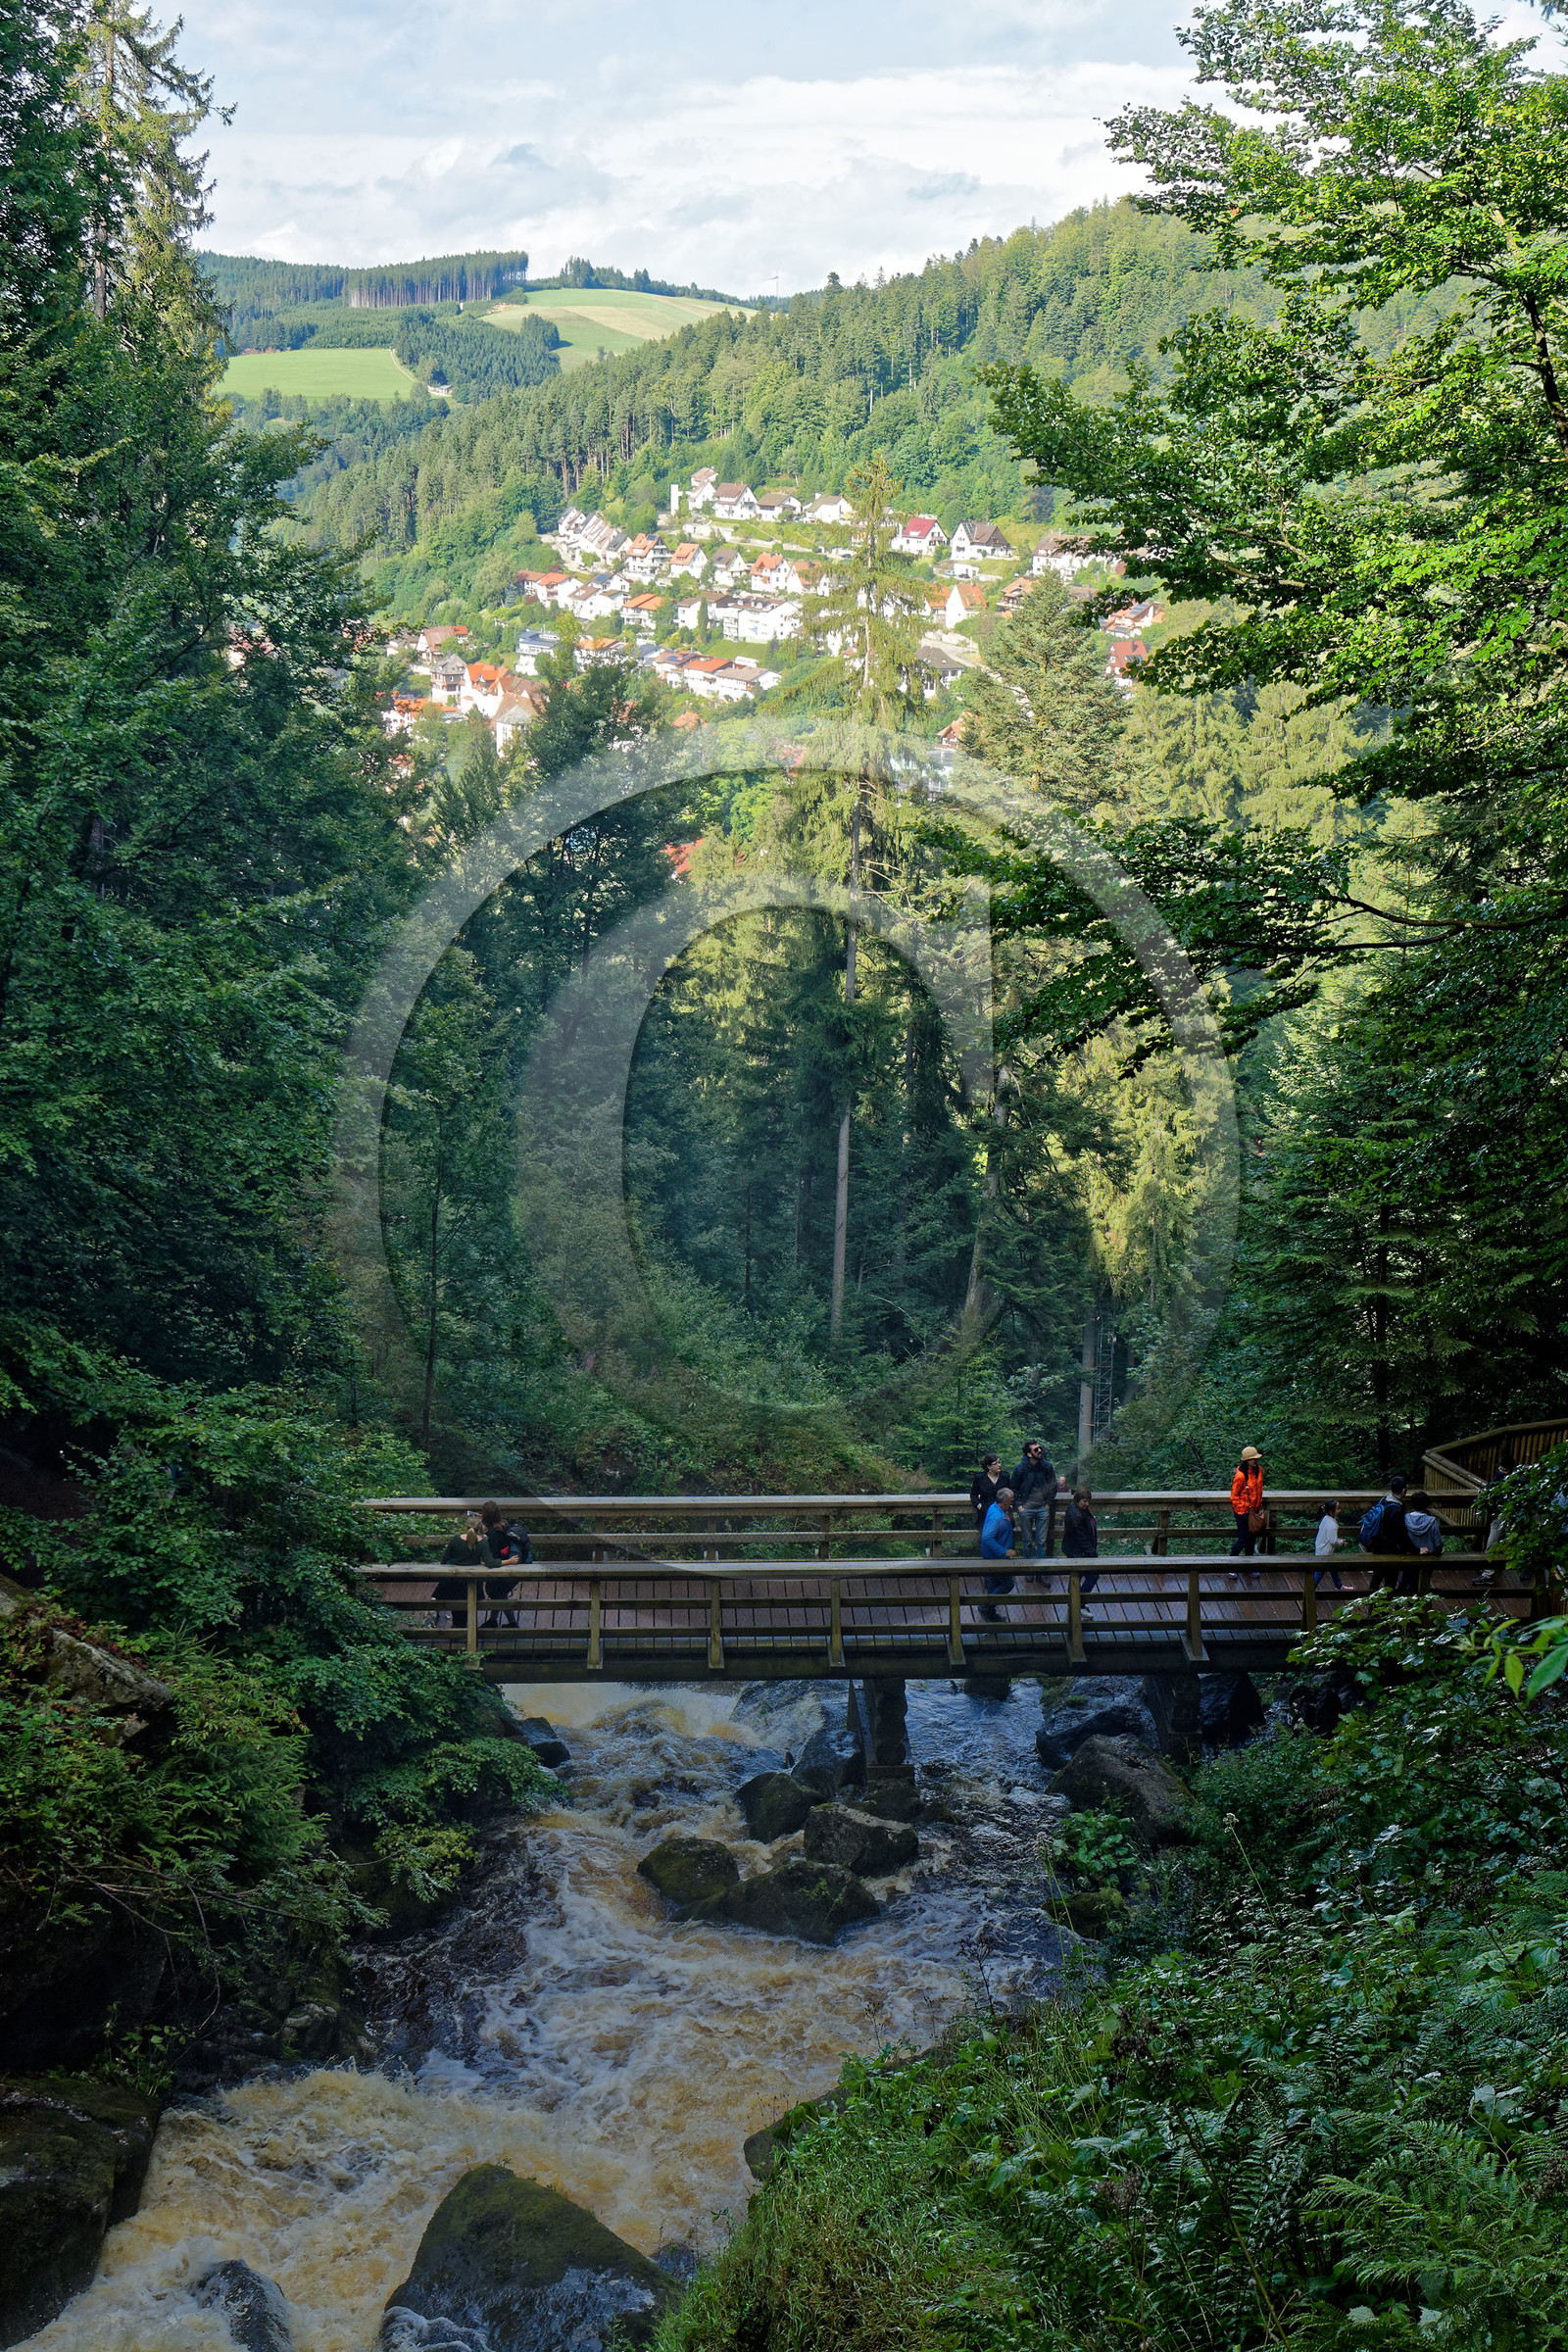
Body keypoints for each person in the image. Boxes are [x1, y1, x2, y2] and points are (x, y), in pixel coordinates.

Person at [1009, 1440, 1063, 1579]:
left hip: (1042, 1508)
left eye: (1039, 1448)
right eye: (1036, 1449)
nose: (1039, 1451)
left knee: (1042, 1542)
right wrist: (1020, 1505)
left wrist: (1048, 1503)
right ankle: (1029, 1571)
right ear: (1029, 1454)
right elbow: (1013, 1487)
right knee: (1027, 1541)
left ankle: (1040, 1572)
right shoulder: (1020, 1468)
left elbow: (1053, 1485)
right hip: (1026, 1509)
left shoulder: (1046, 1466)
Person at [1360, 1475, 1416, 1592]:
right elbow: (1401, 1535)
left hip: (1378, 1545)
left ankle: (1371, 1601)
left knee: (1377, 1576)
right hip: (1391, 1550)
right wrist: (1415, 1550)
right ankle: (1385, 1603)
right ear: (1404, 1491)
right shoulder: (1396, 1509)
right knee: (1390, 1581)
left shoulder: (1384, 1500)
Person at [434, 1513, 484, 1629]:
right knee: (468, 1607)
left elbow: (444, 1559)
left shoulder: (456, 1539)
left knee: (456, 1606)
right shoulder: (482, 1542)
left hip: (455, 1581)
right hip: (474, 1582)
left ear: (466, 1526)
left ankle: (456, 1628)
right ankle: (469, 1631)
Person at [978, 1486, 1017, 1622]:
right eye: (1011, 1501)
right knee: (1007, 1584)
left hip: (992, 1556)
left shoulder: (994, 1507)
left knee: (994, 1585)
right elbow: (987, 1538)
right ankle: (984, 1607)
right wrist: (1003, 1551)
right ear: (1005, 1502)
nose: (1012, 1503)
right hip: (995, 1558)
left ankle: (990, 1615)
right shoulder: (997, 1517)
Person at [1061, 1485, 1100, 1600]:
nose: (1087, 1504)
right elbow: (1081, 1537)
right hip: (1078, 1552)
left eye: (1088, 1501)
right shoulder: (1076, 1515)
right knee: (1092, 1576)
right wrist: (1092, 1552)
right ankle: (1079, 1602)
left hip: (1078, 1550)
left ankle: (1073, 1602)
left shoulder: (1077, 1508)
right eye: (1084, 1501)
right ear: (1078, 1500)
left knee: (1076, 1576)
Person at [1230, 1446, 1265, 1571]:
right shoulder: (1240, 1476)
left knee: (1251, 1540)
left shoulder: (1258, 1471)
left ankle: (1249, 1567)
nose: (1256, 1460)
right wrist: (1242, 1511)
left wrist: (1259, 1506)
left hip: (1254, 1511)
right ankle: (1230, 1566)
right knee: (1243, 1540)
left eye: (1256, 1458)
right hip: (1243, 1513)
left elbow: (1258, 1490)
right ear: (1246, 1460)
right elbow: (1234, 1496)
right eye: (1253, 1459)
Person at [1313, 1499, 1346, 1590]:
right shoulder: (1332, 1525)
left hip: (1321, 1549)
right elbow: (1333, 1542)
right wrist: (1341, 1542)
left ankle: (1338, 1585)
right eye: (1338, 1508)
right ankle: (1309, 1589)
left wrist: (1339, 1540)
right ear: (1331, 1511)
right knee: (1319, 1572)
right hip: (1325, 1553)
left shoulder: (1326, 1519)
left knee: (1332, 1567)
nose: (1340, 1510)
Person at [969, 1453, 1003, 1533]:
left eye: (999, 1462)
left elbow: (1009, 1492)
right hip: (985, 1513)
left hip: (1001, 1512)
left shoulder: (1005, 1476)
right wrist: (979, 1505)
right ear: (988, 1466)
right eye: (996, 1463)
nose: (999, 1465)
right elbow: (973, 1494)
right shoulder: (980, 1477)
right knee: (986, 1536)